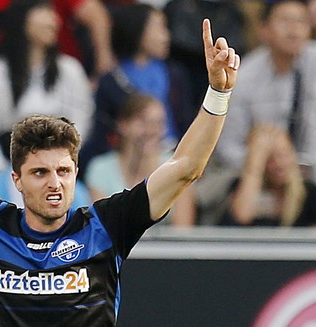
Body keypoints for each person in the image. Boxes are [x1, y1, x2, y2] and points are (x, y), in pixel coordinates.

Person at [0, 11, 239, 325]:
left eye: (63, 171)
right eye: (40, 173)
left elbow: (186, 166)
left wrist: (219, 93)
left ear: (76, 173)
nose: (54, 183)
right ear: (17, 180)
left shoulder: (107, 225)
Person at [0, 0, 94, 174]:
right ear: (21, 19)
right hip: (9, 166)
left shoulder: (70, 70)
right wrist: (2, 173)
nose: (54, 20)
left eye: (53, 13)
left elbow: (81, 121)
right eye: (43, 11)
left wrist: (62, 164)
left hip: (59, 165)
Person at [78, 3, 194, 179]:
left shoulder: (175, 74)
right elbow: (100, 135)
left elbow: (186, 123)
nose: (166, 36)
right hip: (125, 163)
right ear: (137, 30)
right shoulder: (112, 80)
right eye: (158, 28)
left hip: (173, 156)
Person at [216, 0, 316, 180]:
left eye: (301, 21)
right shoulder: (245, 75)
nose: (294, 30)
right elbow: (227, 146)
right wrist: (263, 166)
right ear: (265, 30)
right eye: (285, 21)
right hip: (260, 177)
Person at [85, 93, 196, 226]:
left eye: (158, 123)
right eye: (143, 122)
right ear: (123, 124)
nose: (151, 130)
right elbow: (101, 227)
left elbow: (183, 231)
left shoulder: (177, 168)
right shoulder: (100, 169)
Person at [221, 125, 316, 227]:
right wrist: (254, 168)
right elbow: (241, 217)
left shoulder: (309, 192)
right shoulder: (241, 188)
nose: (279, 164)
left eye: (284, 155)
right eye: (270, 158)